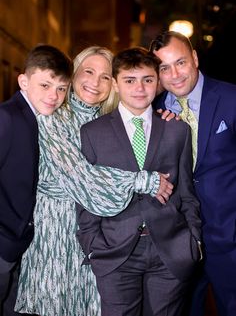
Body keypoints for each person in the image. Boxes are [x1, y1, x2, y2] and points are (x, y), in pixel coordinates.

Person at [15, 46, 173, 316]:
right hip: (55, 233)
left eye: (104, 76)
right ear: (74, 74)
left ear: (112, 83)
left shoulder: (113, 121)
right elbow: (82, 178)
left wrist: (162, 119)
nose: (95, 82)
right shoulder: (51, 115)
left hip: (103, 237)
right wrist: (143, 181)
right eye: (88, 71)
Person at [77, 46, 202, 316]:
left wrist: (193, 240)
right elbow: (86, 196)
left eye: (147, 79)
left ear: (157, 83)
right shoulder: (92, 132)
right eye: (129, 80)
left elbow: (186, 192)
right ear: (116, 84)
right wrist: (93, 245)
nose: (139, 88)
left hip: (170, 250)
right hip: (114, 252)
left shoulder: (177, 129)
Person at [150, 30, 236, 316]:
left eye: (180, 62)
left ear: (195, 59)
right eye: (164, 67)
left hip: (230, 237)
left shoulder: (230, 97)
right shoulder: (153, 113)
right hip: (179, 242)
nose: (174, 74)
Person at [0, 44, 73, 316]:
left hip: (19, 245)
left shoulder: (36, 118)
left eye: (62, 88)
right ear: (23, 80)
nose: (54, 95)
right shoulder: (7, 117)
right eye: (45, 85)